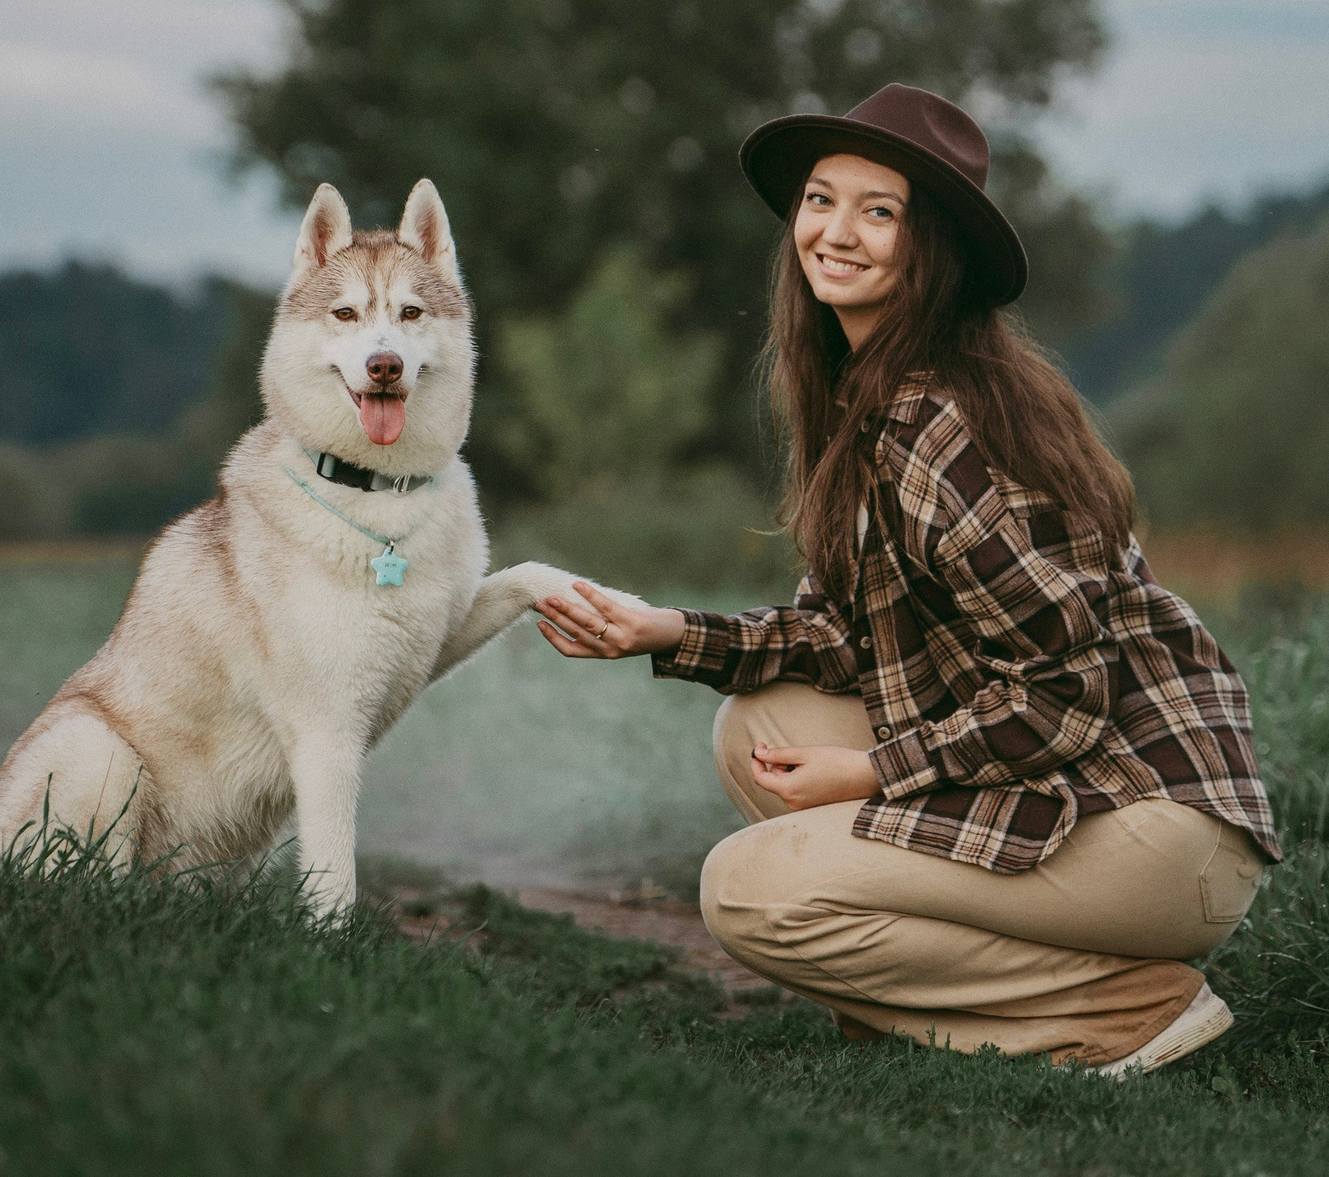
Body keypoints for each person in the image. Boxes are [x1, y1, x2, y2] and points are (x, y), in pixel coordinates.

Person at [534, 83, 1280, 1076]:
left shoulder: (939, 426)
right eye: (819, 199)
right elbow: (842, 636)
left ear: (931, 252)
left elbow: (1064, 698)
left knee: (748, 895)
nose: (834, 232)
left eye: (877, 212)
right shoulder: (872, 394)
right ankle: (921, 994)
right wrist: (663, 630)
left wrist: (880, 772)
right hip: (1075, 784)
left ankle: (1124, 1008)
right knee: (759, 725)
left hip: (1153, 826)